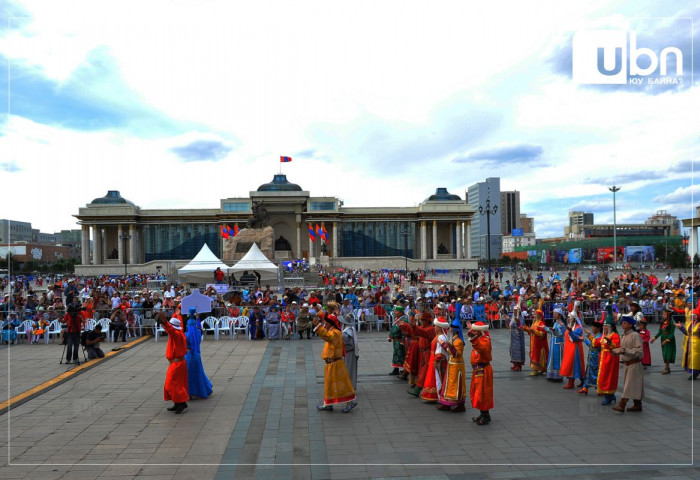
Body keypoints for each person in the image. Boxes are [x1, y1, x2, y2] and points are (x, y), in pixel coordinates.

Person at [313, 313, 357, 413]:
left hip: (336, 363)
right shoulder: (332, 331)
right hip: (331, 363)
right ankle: (328, 404)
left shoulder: (335, 333)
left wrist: (318, 327)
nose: (324, 323)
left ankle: (350, 402)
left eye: (325, 321)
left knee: (342, 384)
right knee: (329, 385)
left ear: (329, 323)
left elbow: (328, 337)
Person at [157, 312, 189, 414]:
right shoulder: (178, 334)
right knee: (174, 384)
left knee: (174, 384)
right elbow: (170, 330)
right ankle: (178, 402)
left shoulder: (176, 335)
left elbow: (170, 330)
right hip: (176, 363)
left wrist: (165, 322)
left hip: (177, 364)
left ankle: (181, 403)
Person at [612, 315, 644, 413]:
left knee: (628, 386)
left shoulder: (635, 335)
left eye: (625, 323)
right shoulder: (625, 335)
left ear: (631, 324)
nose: (623, 324)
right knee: (633, 385)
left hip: (634, 363)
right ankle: (637, 404)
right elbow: (621, 349)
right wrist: (612, 349)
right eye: (622, 323)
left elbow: (639, 351)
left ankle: (622, 405)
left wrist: (624, 351)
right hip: (627, 364)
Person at [436, 318, 467, 413]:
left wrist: (445, 345)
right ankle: (446, 404)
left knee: (456, 385)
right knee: (448, 384)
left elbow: (457, 354)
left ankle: (460, 405)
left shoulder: (459, 341)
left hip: (457, 367)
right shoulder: (454, 339)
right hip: (452, 364)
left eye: (452, 328)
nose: (450, 329)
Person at [466, 321, 493, 425]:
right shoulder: (481, 338)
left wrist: (473, 339)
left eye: (476, 331)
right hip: (478, 370)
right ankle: (482, 413)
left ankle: (486, 415)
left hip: (484, 370)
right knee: (477, 392)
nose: (474, 332)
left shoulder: (486, 340)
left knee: (483, 393)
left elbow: (481, 348)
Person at [185, 309, 213, 399]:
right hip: (196, 355)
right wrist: (196, 318)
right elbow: (198, 326)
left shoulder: (186, 335)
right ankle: (203, 390)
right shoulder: (197, 333)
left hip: (188, 355)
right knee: (199, 372)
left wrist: (192, 316)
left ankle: (190, 392)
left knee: (189, 374)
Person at [596, 307, 621, 406]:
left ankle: (609, 395)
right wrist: (590, 338)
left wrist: (610, 343)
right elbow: (598, 343)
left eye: (606, 326)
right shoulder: (604, 335)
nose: (604, 328)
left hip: (610, 358)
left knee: (608, 375)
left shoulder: (614, 335)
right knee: (603, 375)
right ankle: (608, 395)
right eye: (604, 326)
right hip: (603, 357)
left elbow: (616, 345)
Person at [560, 306, 586, 390]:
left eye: (569, 317)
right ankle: (581, 380)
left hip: (575, 349)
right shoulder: (570, 326)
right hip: (569, 349)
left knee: (575, 365)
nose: (568, 319)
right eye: (568, 317)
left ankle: (573, 382)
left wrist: (570, 331)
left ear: (574, 319)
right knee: (570, 364)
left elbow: (575, 338)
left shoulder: (578, 328)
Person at [578, 318, 603, 395]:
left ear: (598, 328)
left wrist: (585, 339)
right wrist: (589, 336)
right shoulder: (596, 336)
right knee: (589, 372)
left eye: (593, 327)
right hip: (591, 357)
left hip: (596, 357)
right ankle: (585, 387)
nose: (592, 328)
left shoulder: (600, 336)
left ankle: (598, 389)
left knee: (595, 373)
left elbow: (593, 345)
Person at [675, 305, 700, 381]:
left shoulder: (699, 325)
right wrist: (680, 327)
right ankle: (694, 372)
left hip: (697, 343)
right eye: (692, 315)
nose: (692, 317)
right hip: (689, 342)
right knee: (690, 357)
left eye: (694, 315)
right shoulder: (691, 324)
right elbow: (687, 332)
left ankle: (695, 372)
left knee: (695, 357)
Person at [650, 306, 676, 374]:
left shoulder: (672, 322)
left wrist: (666, 340)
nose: (663, 315)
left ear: (668, 315)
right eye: (663, 314)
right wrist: (654, 338)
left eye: (664, 314)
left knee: (668, 353)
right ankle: (667, 367)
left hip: (669, 340)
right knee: (664, 353)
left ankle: (667, 368)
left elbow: (672, 334)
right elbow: (660, 332)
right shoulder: (662, 322)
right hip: (663, 339)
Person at [523, 310, 549, 376]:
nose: (534, 315)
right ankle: (539, 368)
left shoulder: (541, 323)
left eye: (536, 314)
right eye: (535, 314)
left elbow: (543, 334)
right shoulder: (534, 322)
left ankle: (536, 369)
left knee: (537, 355)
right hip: (533, 342)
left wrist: (534, 331)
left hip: (539, 343)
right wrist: (526, 329)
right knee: (534, 355)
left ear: (539, 316)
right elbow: (531, 332)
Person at [544, 308, 566, 381]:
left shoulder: (561, 324)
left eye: (555, 314)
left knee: (557, 359)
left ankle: (558, 376)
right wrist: (546, 329)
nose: (554, 315)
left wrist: (554, 331)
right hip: (554, 342)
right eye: (553, 314)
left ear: (559, 315)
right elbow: (553, 332)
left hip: (558, 343)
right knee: (552, 358)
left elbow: (561, 334)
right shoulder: (556, 323)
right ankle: (552, 374)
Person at [340, 313, 359, 390]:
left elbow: (348, 344)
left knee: (349, 369)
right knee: (350, 369)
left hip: (349, 353)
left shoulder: (346, 333)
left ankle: (349, 386)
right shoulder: (350, 329)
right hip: (350, 352)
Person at [388, 306, 407, 376]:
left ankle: (403, 370)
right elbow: (393, 329)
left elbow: (404, 331)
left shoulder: (404, 320)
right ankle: (396, 369)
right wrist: (390, 336)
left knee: (401, 355)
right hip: (395, 340)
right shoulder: (397, 319)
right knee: (396, 355)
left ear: (401, 313)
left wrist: (402, 340)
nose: (395, 313)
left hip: (400, 340)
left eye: (396, 311)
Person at [64, 297, 84, 364]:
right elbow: (64, 320)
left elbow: (84, 321)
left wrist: (80, 316)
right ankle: (68, 359)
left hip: (77, 331)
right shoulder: (69, 313)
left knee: (76, 347)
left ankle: (75, 358)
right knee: (69, 346)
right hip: (70, 331)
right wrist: (60, 319)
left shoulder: (80, 313)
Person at [508, 306, 526, 372]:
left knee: (518, 350)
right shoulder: (513, 318)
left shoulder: (521, 318)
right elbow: (509, 325)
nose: (515, 312)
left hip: (518, 337)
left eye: (516, 310)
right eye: (514, 310)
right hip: (513, 337)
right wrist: (507, 319)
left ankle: (518, 365)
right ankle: (515, 364)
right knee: (512, 350)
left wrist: (518, 323)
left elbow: (522, 326)